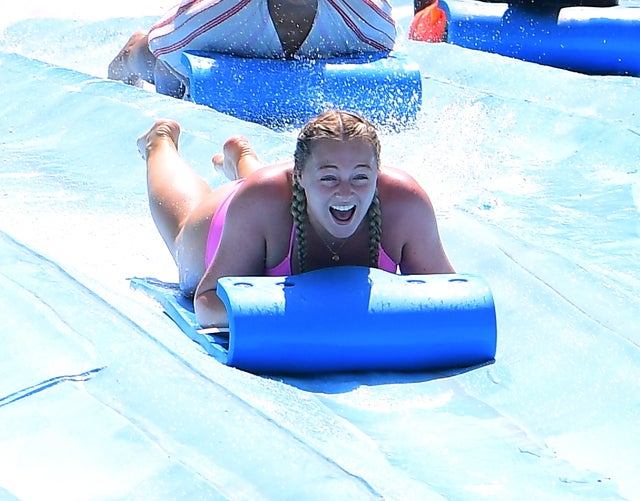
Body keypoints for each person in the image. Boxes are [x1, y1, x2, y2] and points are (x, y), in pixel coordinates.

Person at [139, 110, 454, 328]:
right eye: (330, 178)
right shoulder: (261, 202)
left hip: (277, 202)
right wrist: (325, 311)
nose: (346, 193)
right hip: (234, 221)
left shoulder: (404, 204)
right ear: (299, 175)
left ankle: (242, 159)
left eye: (360, 177)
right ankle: (160, 142)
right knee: (183, 238)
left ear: (378, 174)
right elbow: (208, 305)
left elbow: (453, 297)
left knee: (290, 193)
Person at [109, 0, 396, 98]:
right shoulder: (211, 19)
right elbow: (165, 51)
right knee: (154, 63)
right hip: (221, 28)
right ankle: (129, 54)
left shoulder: (368, 21)